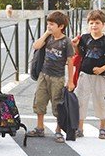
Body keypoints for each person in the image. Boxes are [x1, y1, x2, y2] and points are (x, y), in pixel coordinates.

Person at [27, 11, 75, 143]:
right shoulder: (48, 38)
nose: (49, 26)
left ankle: (58, 130)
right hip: (43, 74)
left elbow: (70, 61)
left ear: (61, 26)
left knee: (58, 104)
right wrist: (47, 33)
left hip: (57, 78)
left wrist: (71, 80)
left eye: (52, 24)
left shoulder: (66, 42)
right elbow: (36, 46)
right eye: (48, 24)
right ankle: (40, 127)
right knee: (40, 101)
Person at [72, 10, 105, 139]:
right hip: (85, 75)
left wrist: (102, 69)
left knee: (102, 100)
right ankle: (79, 128)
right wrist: (75, 46)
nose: (94, 26)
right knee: (81, 100)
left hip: (101, 76)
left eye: (97, 23)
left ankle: (102, 128)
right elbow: (80, 54)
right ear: (88, 24)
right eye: (91, 23)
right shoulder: (84, 38)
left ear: (103, 24)